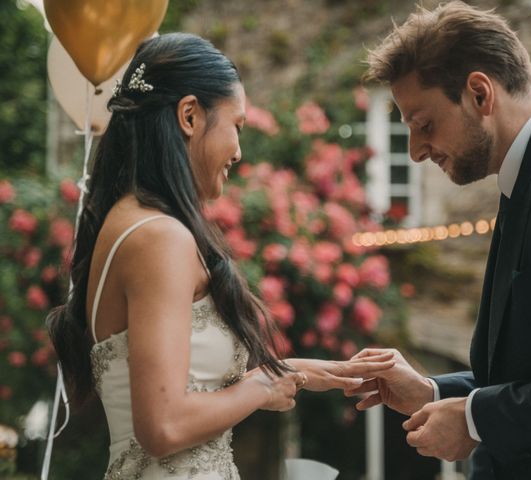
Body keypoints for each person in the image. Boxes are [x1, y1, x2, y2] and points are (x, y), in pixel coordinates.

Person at [47, 33, 394, 480]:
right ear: (189, 115)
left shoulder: (131, 222)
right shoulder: (159, 237)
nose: (239, 150)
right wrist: (262, 386)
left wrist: (298, 373)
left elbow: (185, 387)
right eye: (237, 126)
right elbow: (163, 425)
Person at [347, 2, 531, 479]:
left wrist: (474, 419)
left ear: (479, 93)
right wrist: (432, 392)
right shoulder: (530, 176)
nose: (416, 151)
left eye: (424, 125)